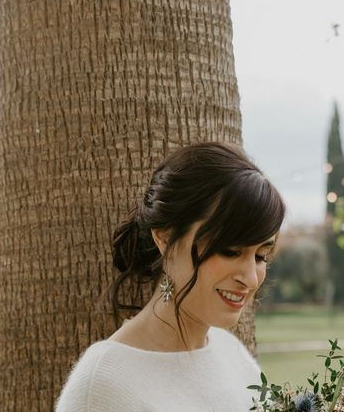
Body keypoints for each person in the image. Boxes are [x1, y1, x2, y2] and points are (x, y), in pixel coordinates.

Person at [55, 142, 285, 411]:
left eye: (260, 257)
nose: (251, 278)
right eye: (230, 251)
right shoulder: (103, 383)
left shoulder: (231, 353)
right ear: (164, 237)